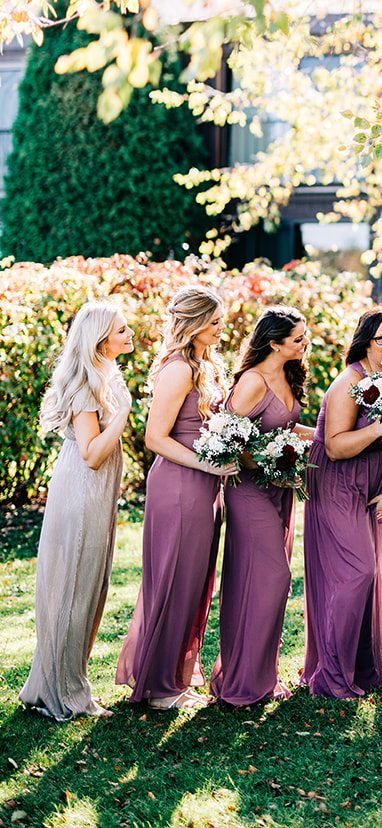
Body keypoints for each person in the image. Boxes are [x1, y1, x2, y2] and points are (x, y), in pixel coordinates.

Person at [117, 285, 231, 712]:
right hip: (180, 486)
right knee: (174, 580)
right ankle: (160, 685)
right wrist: (209, 465)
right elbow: (154, 438)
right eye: (216, 321)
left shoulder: (205, 365)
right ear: (196, 323)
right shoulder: (179, 369)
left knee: (195, 581)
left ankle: (175, 675)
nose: (222, 328)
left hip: (205, 486)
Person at [21, 303, 134, 720]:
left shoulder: (106, 374)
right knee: (74, 588)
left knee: (90, 586)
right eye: (122, 330)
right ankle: (64, 694)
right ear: (101, 339)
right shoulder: (88, 386)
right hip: (83, 489)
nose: (130, 334)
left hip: (96, 492)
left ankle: (58, 682)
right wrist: (121, 416)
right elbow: (91, 454)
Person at [301, 307, 382, 699]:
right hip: (338, 479)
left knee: (372, 576)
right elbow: (334, 444)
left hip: (374, 480)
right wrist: (381, 428)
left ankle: (360, 668)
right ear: (365, 342)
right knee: (355, 573)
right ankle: (331, 677)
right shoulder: (350, 381)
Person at [209, 306, 309, 707]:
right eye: (299, 338)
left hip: (279, 490)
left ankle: (259, 678)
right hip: (249, 491)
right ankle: (241, 682)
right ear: (275, 343)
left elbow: (285, 426)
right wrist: (271, 462)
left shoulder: (287, 374)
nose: (306, 344)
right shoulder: (252, 381)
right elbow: (226, 440)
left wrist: (325, 435)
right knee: (271, 578)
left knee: (266, 582)